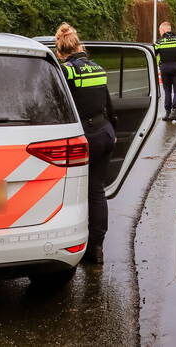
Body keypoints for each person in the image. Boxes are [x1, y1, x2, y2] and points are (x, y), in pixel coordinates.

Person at [55, 22, 115, 265]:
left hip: (84, 135)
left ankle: (70, 243)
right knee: (96, 190)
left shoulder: (67, 71)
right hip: (104, 131)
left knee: (73, 191)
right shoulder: (98, 68)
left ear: (60, 52)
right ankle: (97, 247)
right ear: (79, 46)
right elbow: (107, 102)